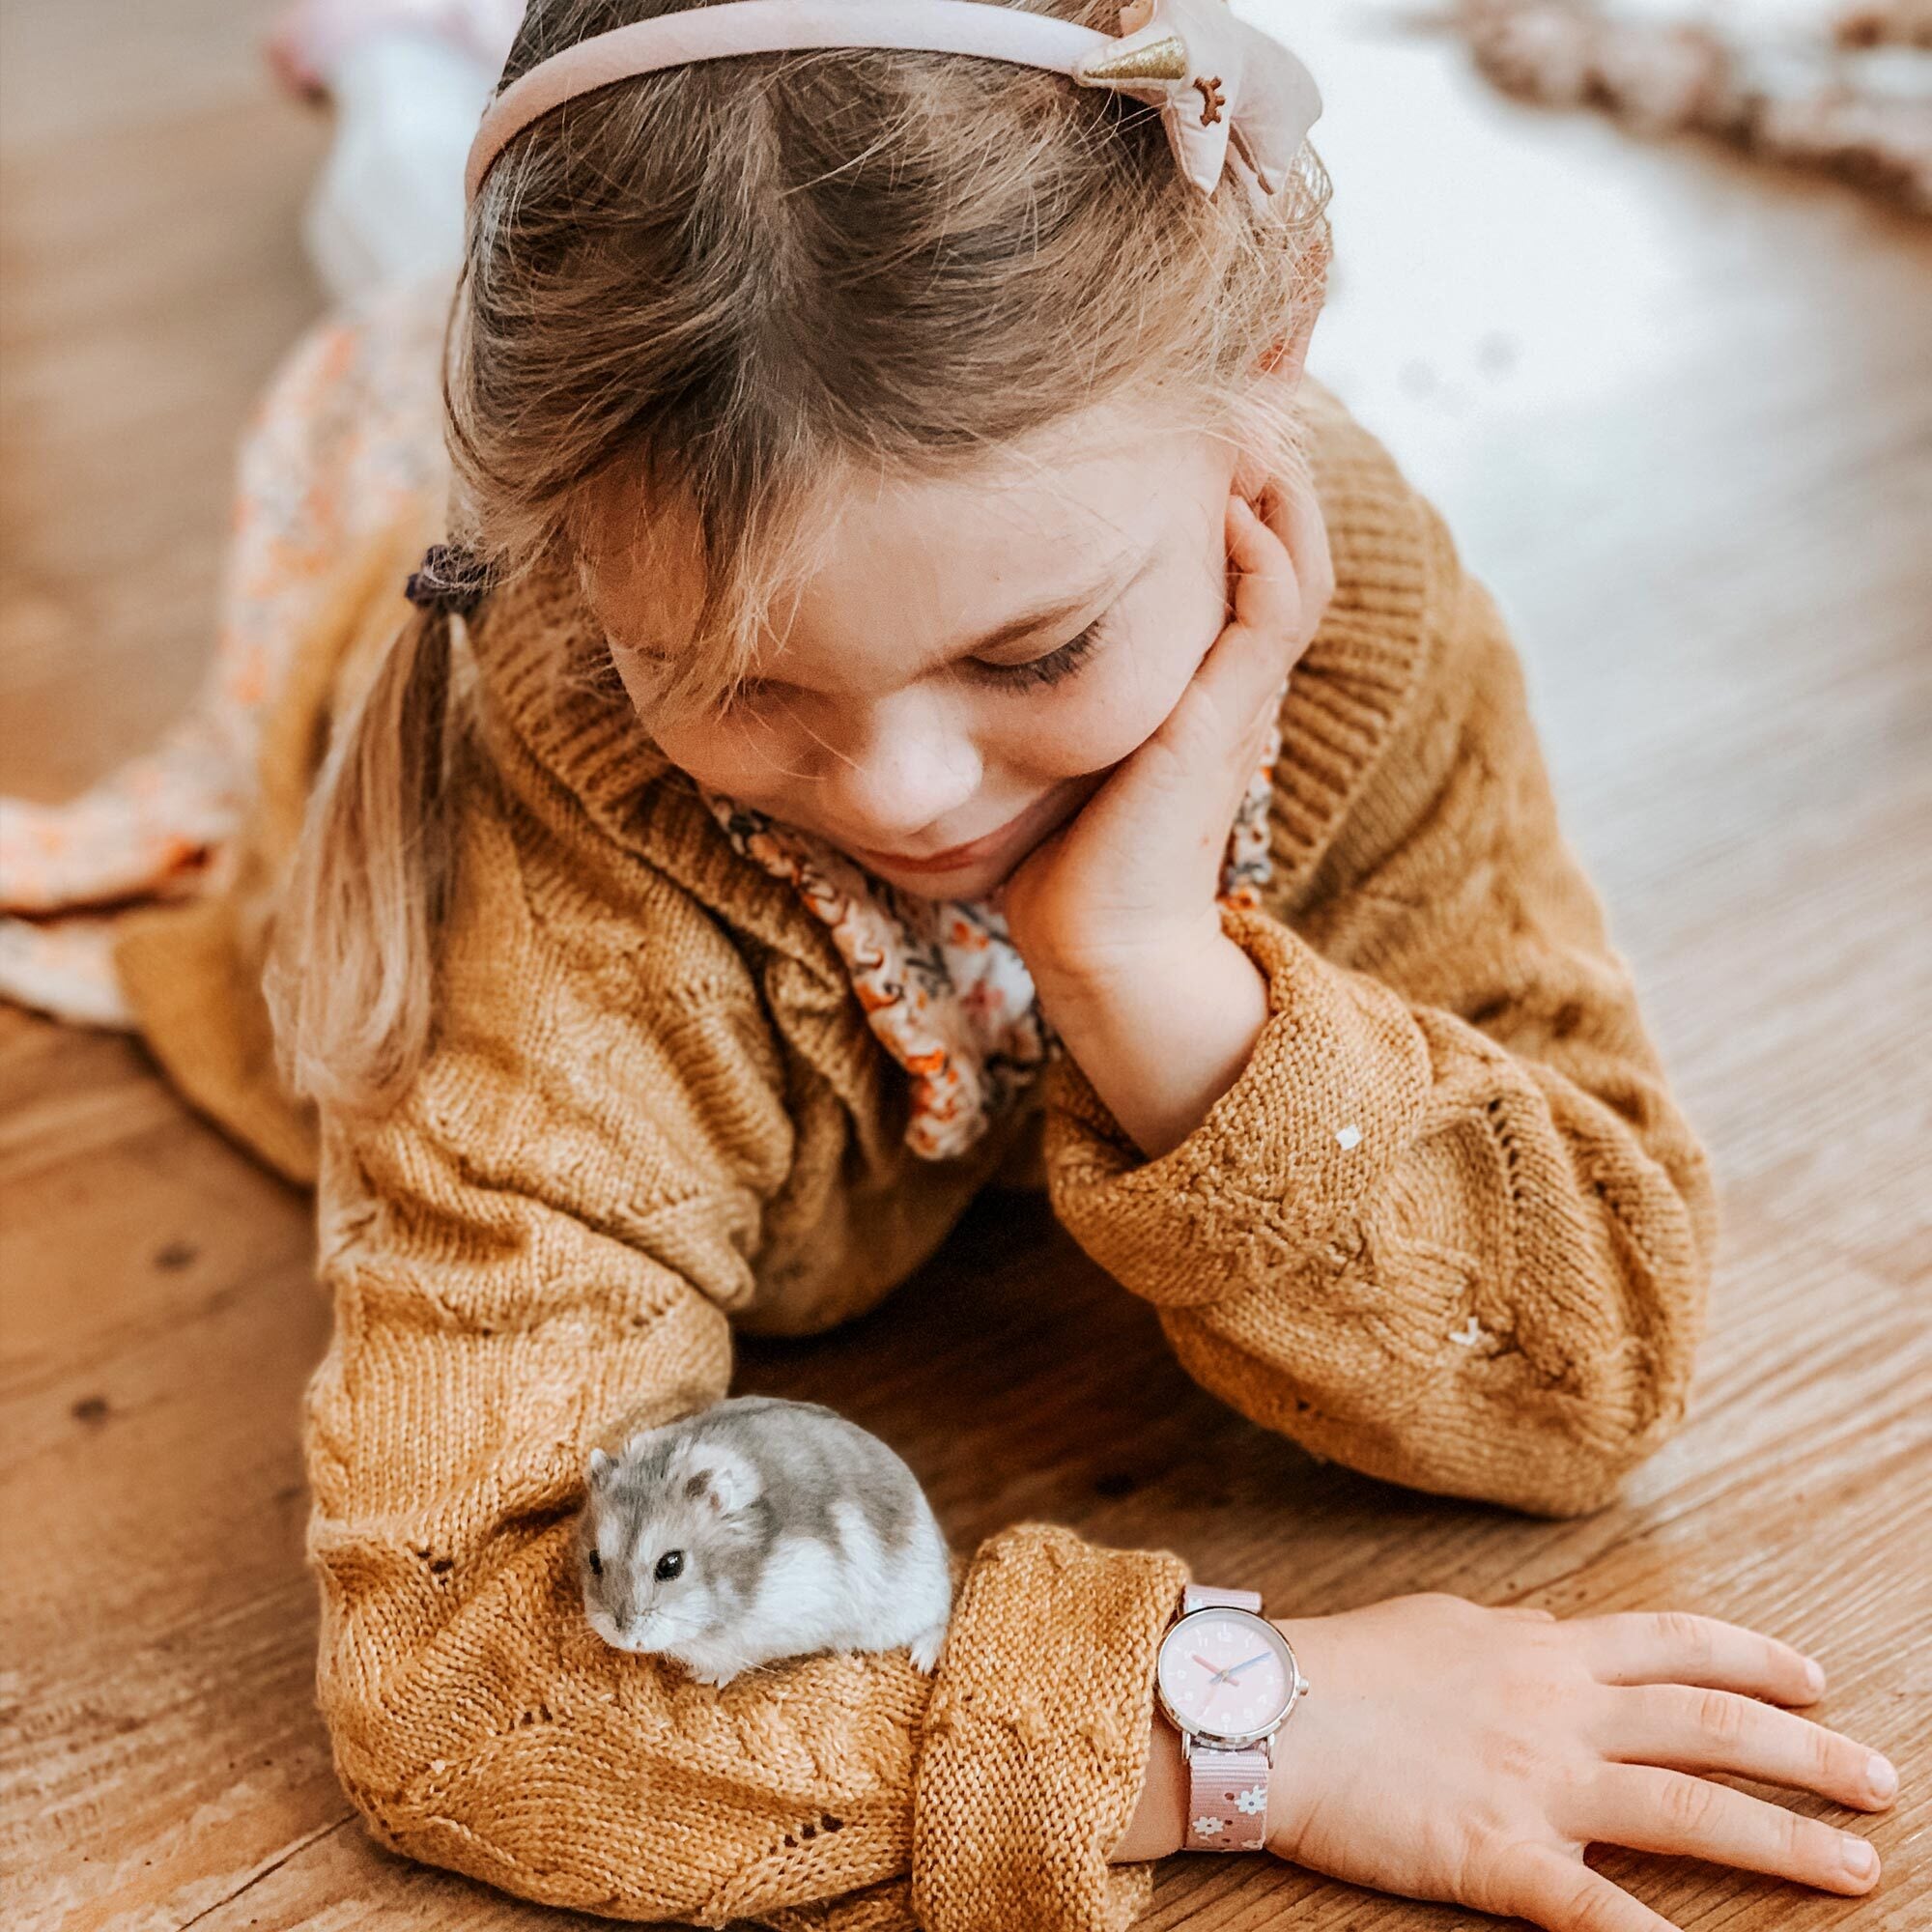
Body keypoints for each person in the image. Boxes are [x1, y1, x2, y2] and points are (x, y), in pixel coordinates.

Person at [0, 2, 1897, 1927]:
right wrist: (1223, 1725)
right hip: (387, 536)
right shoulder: (536, 847)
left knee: (424, 211)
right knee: (391, 254)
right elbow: (460, 1679)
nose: (909, 793)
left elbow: (1583, 1369)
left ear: (1270, 368)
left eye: (1033, 653)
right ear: (580, 560)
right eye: (743, 681)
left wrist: (1158, 974)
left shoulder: (1359, 615)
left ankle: (415, 75)